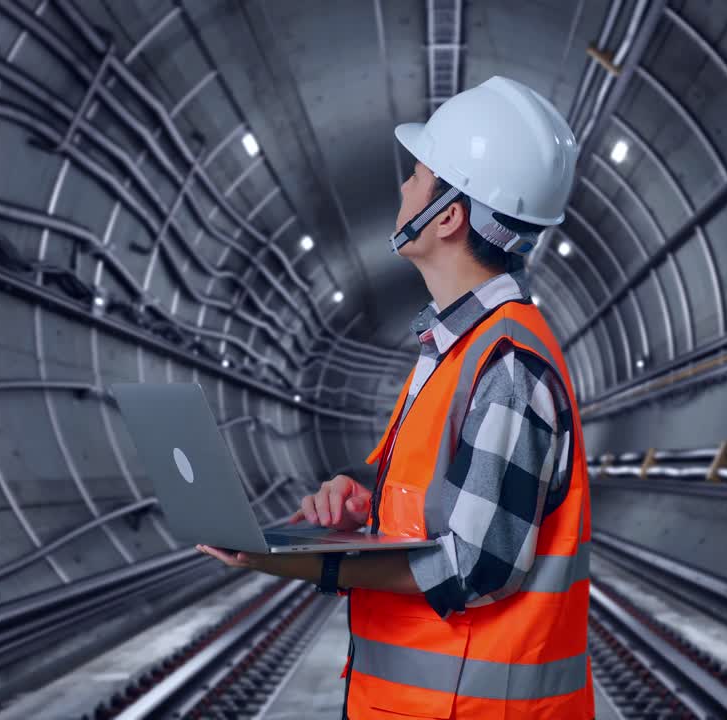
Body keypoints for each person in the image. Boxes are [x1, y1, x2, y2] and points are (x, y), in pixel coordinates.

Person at [198, 76, 593, 719]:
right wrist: (362, 492)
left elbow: (474, 567)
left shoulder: (508, 366)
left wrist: (306, 565)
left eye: (417, 175)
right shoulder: (453, 346)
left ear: (448, 216)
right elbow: (425, 482)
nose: (404, 187)